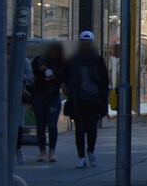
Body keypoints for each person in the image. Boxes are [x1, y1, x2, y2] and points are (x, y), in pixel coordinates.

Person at [64, 31, 110, 169]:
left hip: (94, 100)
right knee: (79, 129)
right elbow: (66, 76)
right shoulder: (73, 60)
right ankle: (81, 157)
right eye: (83, 42)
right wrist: (65, 87)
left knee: (91, 130)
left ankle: (91, 151)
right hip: (78, 100)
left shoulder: (98, 60)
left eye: (87, 42)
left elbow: (104, 82)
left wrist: (103, 101)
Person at [29, 41, 66, 163]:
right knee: (40, 124)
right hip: (39, 95)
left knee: (52, 124)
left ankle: (52, 151)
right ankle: (42, 151)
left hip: (53, 95)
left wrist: (54, 76)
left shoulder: (60, 63)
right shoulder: (38, 60)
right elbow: (31, 77)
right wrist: (40, 71)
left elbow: (62, 79)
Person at [9, 37, 34, 165]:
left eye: (10, 45)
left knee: (18, 122)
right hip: (2, 97)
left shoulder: (22, 61)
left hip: (18, 96)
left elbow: (31, 78)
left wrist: (20, 76)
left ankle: (18, 149)